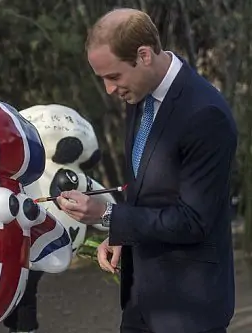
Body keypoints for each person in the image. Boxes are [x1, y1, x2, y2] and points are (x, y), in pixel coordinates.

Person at [56, 8, 238, 333]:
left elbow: (193, 220)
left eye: (114, 77)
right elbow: (149, 192)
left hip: (189, 311)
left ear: (143, 56)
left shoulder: (206, 114)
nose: (110, 90)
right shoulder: (139, 96)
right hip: (139, 304)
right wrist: (122, 235)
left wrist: (108, 215)